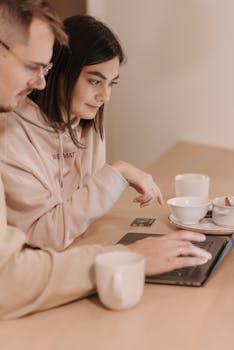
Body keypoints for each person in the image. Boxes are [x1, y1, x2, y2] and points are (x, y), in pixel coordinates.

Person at [0, 2, 211, 320]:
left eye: (110, 84)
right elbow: (30, 255)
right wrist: (124, 253)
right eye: (33, 67)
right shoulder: (9, 129)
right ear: (63, 71)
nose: (39, 83)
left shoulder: (86, 124)